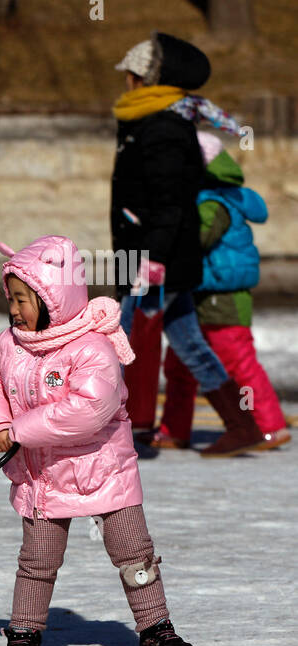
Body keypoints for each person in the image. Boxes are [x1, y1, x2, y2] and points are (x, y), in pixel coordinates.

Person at [0, 236, 194, 646]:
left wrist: (19, 429)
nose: (14, 309)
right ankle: (24, 633)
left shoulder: (92, 348)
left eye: (22, 299)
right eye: (10, 299)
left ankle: (155, 629)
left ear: (53, 298)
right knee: (37, 561)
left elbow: (88, 410)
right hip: (44, 476)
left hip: (104, 471)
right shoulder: (10, 344)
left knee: (134, 553)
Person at [110, 31, 264, 456]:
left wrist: (152, 258)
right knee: (188, 342)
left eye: (132, 76)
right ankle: (240, 424)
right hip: (149, 253)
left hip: (155, 257)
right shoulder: (148, 120)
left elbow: (170, 203)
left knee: (125, 338)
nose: (126, 83)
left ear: (148, 81)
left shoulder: (163, 127)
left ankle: (129, 431)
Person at [151, 131, 290, 450]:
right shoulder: (201, 199)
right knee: (180, 364)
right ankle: (175, 429)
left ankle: (269, 425)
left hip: (222, 298)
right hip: (196, 295)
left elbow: (195, 241)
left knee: (238, 364)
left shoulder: (212, 203)